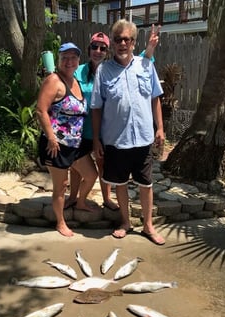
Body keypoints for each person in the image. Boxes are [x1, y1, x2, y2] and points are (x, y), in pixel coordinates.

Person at [67, 26, 161, 212]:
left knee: (103, 166)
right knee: (76, 167)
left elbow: (139, 62)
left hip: (104, 130)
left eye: (103, 48)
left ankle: (107, 199)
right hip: (80, 130)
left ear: (107, 51)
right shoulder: (79, 72)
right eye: (95, 46)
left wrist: (150, 48)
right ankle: (73, 198)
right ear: (89, 49)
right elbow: (64, 81)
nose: (98, 51)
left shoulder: (111, 69)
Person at [91, 20, 166, 245]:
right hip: (116, 140)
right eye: (118, 39)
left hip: (143, 139)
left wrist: (160, 128)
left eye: (127, 39)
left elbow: (155, 98)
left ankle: (148, 226)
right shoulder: (103, 70)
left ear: (134, 42)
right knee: (120, 184)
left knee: (146, 184)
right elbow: (96, 108)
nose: (122, 43)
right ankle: (125, 222)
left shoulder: (146, 65)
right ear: (113, 43)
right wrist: (96, 139)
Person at [36, 42, 98, 237]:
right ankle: (60, 222)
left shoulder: (75, 81)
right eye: (65, 58)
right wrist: (52, 138)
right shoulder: (53, 81)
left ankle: (80, 202)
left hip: (75, 145)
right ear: (59, 60)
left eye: (73, 57)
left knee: (91, 175)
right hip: (57, 146)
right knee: (61, 187)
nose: (69, 61)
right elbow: (41, 110)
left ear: (79, 60)